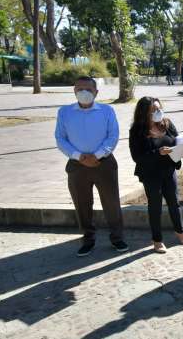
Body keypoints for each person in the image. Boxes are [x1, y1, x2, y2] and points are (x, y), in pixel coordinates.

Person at [54, 76, 129, 257]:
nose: (83, 93)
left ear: (96, 92)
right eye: (79, 89)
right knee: (82, 204)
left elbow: (113, 135)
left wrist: (97, 155)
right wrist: (79, 157)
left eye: (87, 89)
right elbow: (60, 138)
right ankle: (88, 239)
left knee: (111, 202)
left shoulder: (107, 110)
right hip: (77, 165)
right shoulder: (65, 112)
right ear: (74, 91)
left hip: (104, 163)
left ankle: (117, 237)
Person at [129, 97, 183, 253]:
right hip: (151, 173)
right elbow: (137, 157)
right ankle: (157, 240)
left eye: (159, 108)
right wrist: (157, 152)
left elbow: (179, 143)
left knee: (174, 201)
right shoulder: (137, 130)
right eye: (153, 110)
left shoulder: (167, 124)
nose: (158, 112)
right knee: (155, 205)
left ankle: (180, 232)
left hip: (168, 170)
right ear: (144, 113)